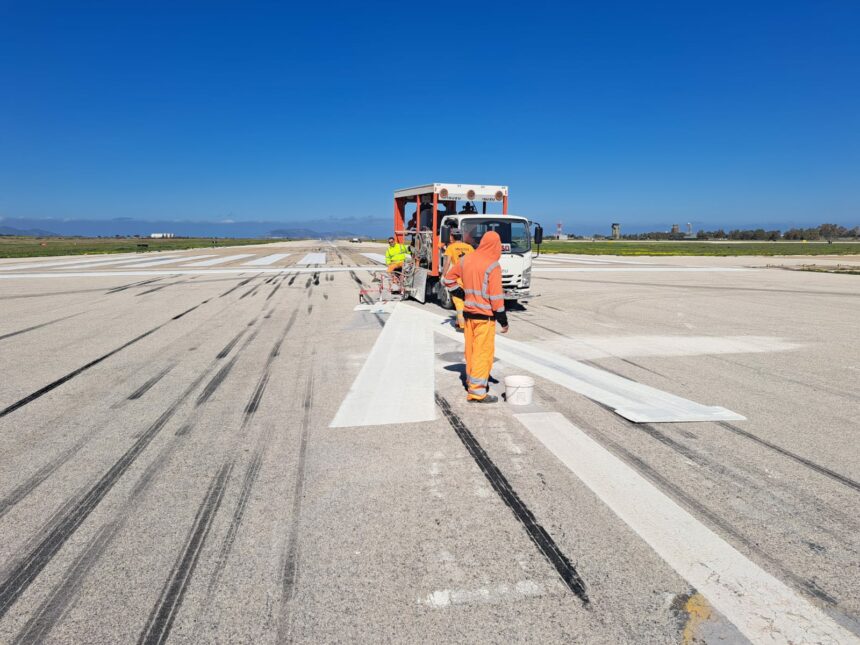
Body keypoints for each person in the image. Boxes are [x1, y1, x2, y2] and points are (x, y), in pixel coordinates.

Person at [442, 231, 508, 403]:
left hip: (469, 315)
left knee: (471, 352)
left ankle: (472, 382)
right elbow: (496, 296)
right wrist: (503, 319)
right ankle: (477, 392)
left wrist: (460, 293)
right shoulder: (493, 265)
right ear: (496, 246)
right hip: (484, 317)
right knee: (482, 353)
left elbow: (448, 279)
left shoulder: (466, 260)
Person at [441, 229, 474, 330]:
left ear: (452, 237)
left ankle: (462, 325)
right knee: (467, 299)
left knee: (458, 301)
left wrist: (443, 275)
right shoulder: (469, 247)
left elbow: (447, 263)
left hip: (458, 277)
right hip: (469, 277)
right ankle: (458, 322)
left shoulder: (451, 247)